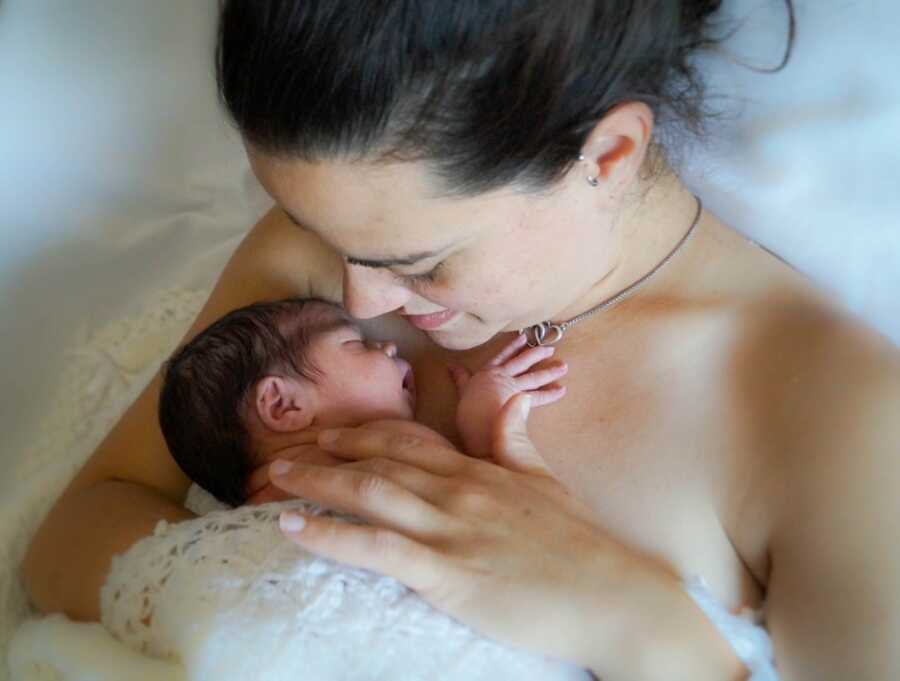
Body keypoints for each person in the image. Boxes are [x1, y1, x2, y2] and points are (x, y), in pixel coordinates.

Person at [23, 1, 900, 679]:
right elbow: (73, 532)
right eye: (312, 225)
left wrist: (638, 626)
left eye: (421, 260)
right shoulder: (317, 266)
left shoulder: (837, 421)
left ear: (607, 153)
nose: (356, 295)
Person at [158, 297, 566, 506]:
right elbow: (488, 504)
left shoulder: (258, 502)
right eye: (356, 343)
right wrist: (485, 421)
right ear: (284, 406)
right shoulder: (389, 440)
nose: (387, 346)